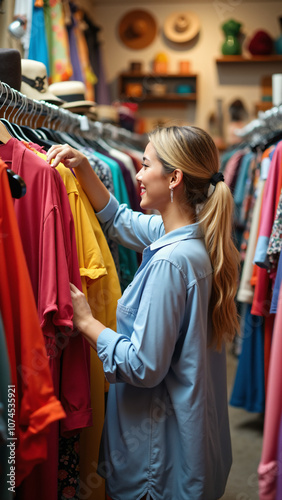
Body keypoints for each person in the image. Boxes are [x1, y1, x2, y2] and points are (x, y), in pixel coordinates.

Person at [47, 125, 240, 500]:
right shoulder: (195, 237)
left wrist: (87, 323)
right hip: (186, 445)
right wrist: (85, 168)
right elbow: (121, 221)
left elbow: (142, 366)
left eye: (145, 165)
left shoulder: (171, 263)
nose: (136, 173)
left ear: (174, 178)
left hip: (158, 461)